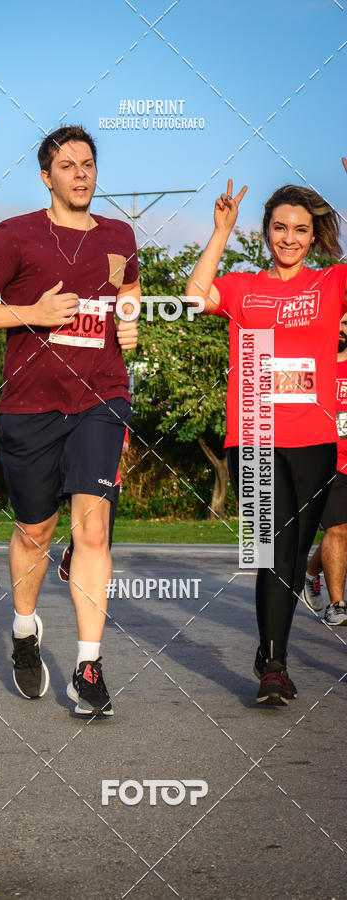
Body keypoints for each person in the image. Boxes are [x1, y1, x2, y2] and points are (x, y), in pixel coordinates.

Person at [0, 124, 140, 716]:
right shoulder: (15, 235)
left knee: (92, 530)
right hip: (30, 407)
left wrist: (130, 318)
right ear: (46, 176)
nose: (81, 173)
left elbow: (127, 288)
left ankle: (88, 667)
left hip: (101, 398)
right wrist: (32, 311)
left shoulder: (118, 234)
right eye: (68, 166)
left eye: (88, 163)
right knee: (36, 531)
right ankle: (26, 629)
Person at [186, 164, 347, 706]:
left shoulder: (330, 282)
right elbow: (195, 294)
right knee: (274, 551)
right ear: (266, 230)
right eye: (280, 227)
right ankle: (274, 665)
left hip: (316, 440)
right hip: (254, 431)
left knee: (295, 551)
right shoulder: (243, 287)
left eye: (301, 229)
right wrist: (219, 233)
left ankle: (268, 648)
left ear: (313, 235)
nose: (290, 239)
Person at [302, 314, 347, 625]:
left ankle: (312, 570)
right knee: (338, 530)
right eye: (339, 319)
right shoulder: (311, 365)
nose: (342, 327)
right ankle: (337, 604)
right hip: (330, 460)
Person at [58, 426, 129, 582]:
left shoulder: (118, 412)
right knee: (85, 527)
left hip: (110, 478)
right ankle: (73, 553)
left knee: (104, 535)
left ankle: (94, 579)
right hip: (85, 477)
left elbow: (124, 447)